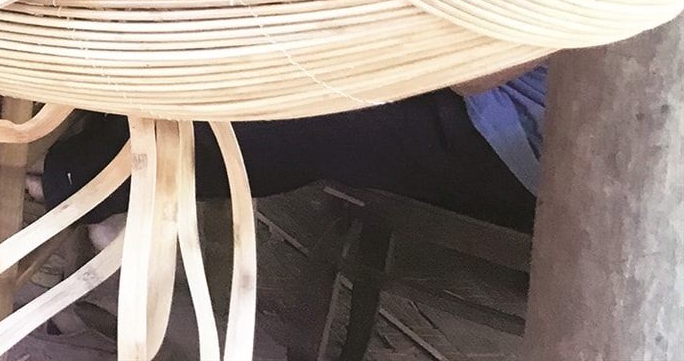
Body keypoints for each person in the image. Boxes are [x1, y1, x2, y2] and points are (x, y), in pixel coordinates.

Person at [36, 63, 549, 235]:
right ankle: (110, 123)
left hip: (528, 151)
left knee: (321, 121)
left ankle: (73, 178)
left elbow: (475, 69)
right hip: (504, 83)